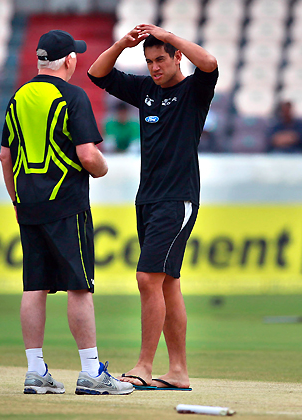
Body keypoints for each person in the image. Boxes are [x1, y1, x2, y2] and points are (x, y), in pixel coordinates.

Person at [0, 29, 134, 396]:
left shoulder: (18, 96)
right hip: (66, 203)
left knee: (34, 286)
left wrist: (15, 200)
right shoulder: (73, 95)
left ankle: (35, 371)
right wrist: (105, 168)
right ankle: (91, 371)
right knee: (79, 285)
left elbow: (5, 157)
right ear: (70, 61)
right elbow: (89, 156)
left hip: (27, 205)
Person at [88, 24, 218, 391]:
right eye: (149, 61)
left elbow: (208, 62)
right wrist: (121, 44)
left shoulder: (194, 89)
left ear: (177, 56)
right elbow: (97, 73)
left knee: (147, 279)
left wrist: (169, 35)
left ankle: (144, 366)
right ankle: (178, 372)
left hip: (177, 200)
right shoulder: (146, 89)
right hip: (147, 199)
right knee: (168, 285)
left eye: (161, 59)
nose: (154, 67)